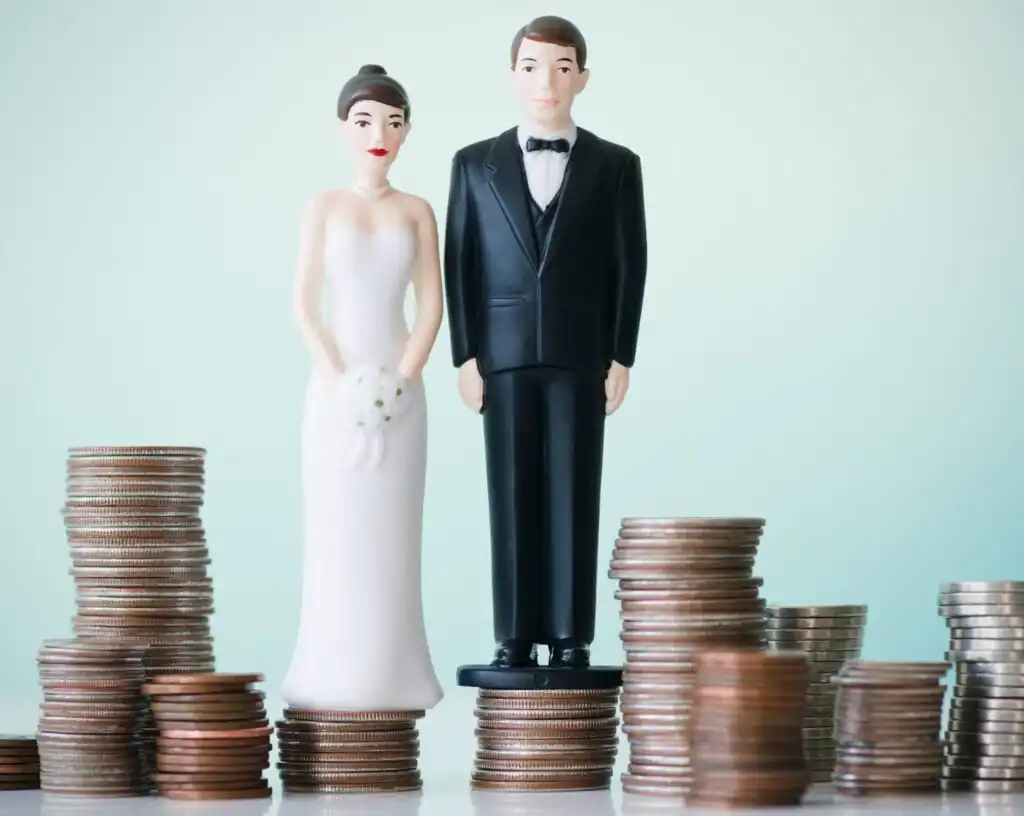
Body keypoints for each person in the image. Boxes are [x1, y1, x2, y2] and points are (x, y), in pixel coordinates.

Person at [444, 16, 648, 672]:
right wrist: (465, 355)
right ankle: (513, 634)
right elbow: (460, 262)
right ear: (513, 76)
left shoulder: (616, 166)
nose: (547, 81)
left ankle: (569, 636)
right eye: (532, 66)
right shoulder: (474, 164)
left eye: (562, 67)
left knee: (573, 494)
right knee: (510, 496)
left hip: (579, 352)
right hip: (501, 357)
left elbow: (630, 262)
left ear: (582, 77)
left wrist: (621, 354)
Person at [282, 64, 444, 710]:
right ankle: (327, 676)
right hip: (334, 392)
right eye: (366, 120)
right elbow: (303, 304)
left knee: (391, 538)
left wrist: (401, 381)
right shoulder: (324, 206)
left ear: (407, 134)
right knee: (337, 532)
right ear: (342, 129)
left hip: (402, 397)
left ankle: (395, 675)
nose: (380, 133)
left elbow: (431, 307)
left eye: (395, 122)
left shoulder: (418, 211)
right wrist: (342, 380)